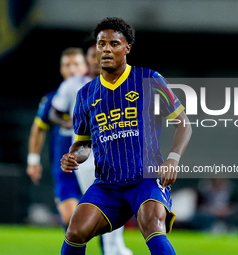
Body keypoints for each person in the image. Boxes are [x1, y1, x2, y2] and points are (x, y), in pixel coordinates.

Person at [60, 17, 192, 255]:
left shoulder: (149, 79)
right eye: (101, 44)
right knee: (75, 231)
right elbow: (83, 143)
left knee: (153, 226)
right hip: (107, 184)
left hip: (146, 177)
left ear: (127, 48)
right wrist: (73, 156)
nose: (106, 49)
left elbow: (183, 124)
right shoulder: (85, 94)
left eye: (114, 43)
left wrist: (173, 158)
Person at [50, 38, 133, 255]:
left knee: (115, 204)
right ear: (87, 60)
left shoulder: (120, 83)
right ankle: (113, 249)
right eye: (92, 55)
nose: (97, 59)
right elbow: (54, 112)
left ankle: (115, 248)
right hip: (87, 156)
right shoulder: (75, 85)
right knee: (100, 205)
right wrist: (70, 122)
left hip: (116, 154)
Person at [26, 47, 88, 229]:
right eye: (66, 65)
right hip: (66, 171)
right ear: (61, 70)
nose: (71, 69)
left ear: (85, 67)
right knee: (71, 220)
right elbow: (38, 128)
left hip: (93, 168)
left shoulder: (97, 96)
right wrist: (33, 160)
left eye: (76, 64)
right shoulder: (53, 100)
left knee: (102, 222)